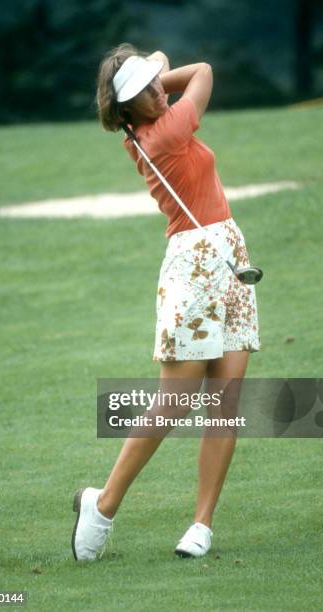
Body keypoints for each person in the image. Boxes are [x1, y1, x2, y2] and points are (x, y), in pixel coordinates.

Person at [71, 43, 261, 561]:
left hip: (226, 254)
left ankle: (201, 525)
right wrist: (158, 71)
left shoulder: (142, 130)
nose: (160, 92)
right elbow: (203, 68)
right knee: (173, 401)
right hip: (196, 266)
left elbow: (157, 85)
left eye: (158, 87)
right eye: (148, 93)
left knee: (224, 403)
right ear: (129, 110)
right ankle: (103, 505)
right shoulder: (169, 131)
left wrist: (146, 78)